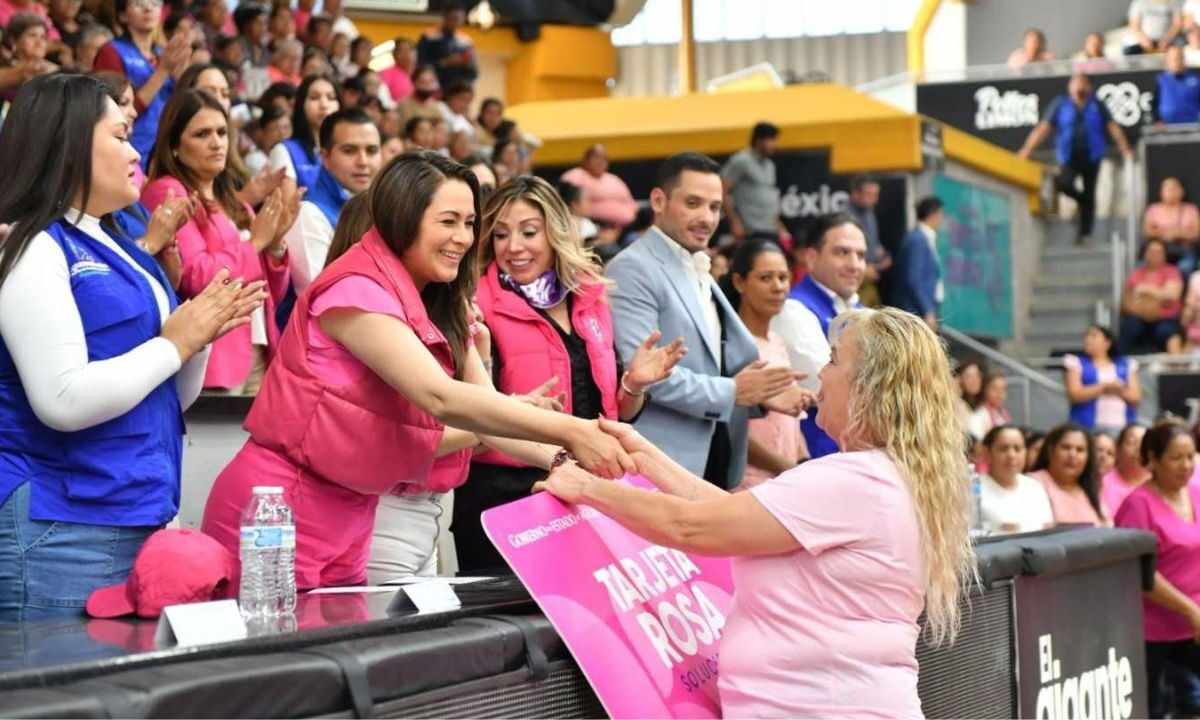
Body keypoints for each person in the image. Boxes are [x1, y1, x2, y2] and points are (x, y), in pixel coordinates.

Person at [201, 151, 634, 589]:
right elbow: (440, 398)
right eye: (448, 222)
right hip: (284, 507)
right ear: (403, 218)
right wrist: (573, 431)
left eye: (469, 223)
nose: (464, 238)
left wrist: (565, 460)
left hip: (356, 513)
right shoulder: (353, 290)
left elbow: (484, 414)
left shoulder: (441, 304)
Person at [535, 307, 974, 717]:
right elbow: (733, 514)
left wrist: (587, 487)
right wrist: (648, 458)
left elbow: (690, 528)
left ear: (869, 384)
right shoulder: (881, 477)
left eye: (835, 360)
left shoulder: (855, 480)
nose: (822, 372)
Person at [0, 74, 262, 621]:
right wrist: (175, 343)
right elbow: (63, 399)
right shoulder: (34, 247)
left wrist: (200, 337)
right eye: (119, 136)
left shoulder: (125, 249)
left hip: (135, 516)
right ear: (68, 141)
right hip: (60, 527)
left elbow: (170, 396)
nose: (133, 150)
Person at [450, 175, 686, 575]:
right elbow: (467, 411)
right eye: (502, 234)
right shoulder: (475, 306)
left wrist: (632, 385)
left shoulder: (590, 297)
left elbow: (612, 415)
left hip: (590, 490)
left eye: (529, 232)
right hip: (507, 497)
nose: (514, 247)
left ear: (556, 232)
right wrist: (519, 411)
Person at [606, 152, 801, 490]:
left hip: (717, 455)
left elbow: (715, 359)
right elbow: (642, 374)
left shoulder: (697, 263)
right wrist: (733, 391)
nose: (707, 218)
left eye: (714, 207)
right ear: (658, 200)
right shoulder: (633, 267)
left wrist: (761, 393)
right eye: (693, 203)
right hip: (662, 462)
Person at [144, 89, 297, 394]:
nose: (216, 142)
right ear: (174, 146)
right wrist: (255, 243)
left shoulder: (232, 200)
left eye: (221, 132)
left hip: (257, 348)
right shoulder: (168, 191)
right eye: (202, 134)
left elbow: (269, 291)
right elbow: (196, 276)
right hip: (213, 357)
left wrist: (275, 244)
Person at [1113, 421, 1200, 718]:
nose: (1186, 465)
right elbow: (1142, 574)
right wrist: (1190, 610)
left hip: (1194, 625)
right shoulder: (1138, 504)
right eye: (1177, 457)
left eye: (1191, 456)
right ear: (1153, 459)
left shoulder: (1196, 493)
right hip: (1152, 632)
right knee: (1155, 709)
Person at [771, 212, 866, 459]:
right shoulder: (794, 310)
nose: (854, 264)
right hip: (818, 459)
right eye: (842, 252)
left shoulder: (861, 311)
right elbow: (831, 387)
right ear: (811, 258)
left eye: (861, 255)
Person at [719, 239, 812, 488]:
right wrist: (787, 469)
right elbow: (735, 428)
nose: (778, 287)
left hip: (785, 485)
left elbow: (792, 419)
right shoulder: (730, 344)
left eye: (783, 277)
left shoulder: (777, 342)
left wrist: (803, 461)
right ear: (740, 282)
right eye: (765, 278)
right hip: (747, 485)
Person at [1018, 73, 1135, 245]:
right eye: (1076, 83)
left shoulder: (1097, 105)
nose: (1079, 86)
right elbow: (1044, 128)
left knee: (1090, 193)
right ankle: (1081, 203)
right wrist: (1027, 148)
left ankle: (1085, 234)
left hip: (1092, 156)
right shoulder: (1060, 104)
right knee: (1064, 183)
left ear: (1089, 87)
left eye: (1083, 83)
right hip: (1068, 156)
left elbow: (1112, 126)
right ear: (1069, 87)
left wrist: (1124, 147)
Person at [284, 108, 381, 295]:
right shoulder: (308, 214)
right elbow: (320, 296)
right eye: (349, 151)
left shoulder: (377, 206)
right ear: (325, 157)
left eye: (372, 151)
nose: (363, 161)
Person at [92, 0, 192, 165]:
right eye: (139, 3)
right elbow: (110, 109)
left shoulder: (163, 53)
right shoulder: (112, 51)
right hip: (131, 148)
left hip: (165, 146)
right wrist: (162, 71)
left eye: (154, 3)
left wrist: (180, 77)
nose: (148, 9)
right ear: (123, 15)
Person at [269, 73, 340, 193]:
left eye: (331, 98)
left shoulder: (345, 150)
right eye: (314, 97)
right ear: (301, 105)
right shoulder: (284, 150)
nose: (324, 104)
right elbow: (287, 208)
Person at [979, 425, 1055, 534]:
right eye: (1004, 449)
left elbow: (1047, 530)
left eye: (1018, 449)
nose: (1012, 455)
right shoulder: (973, 489)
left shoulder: (1035, 487)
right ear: (987, 452)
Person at [1064, 324, 1140, 431]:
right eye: (1086, 336)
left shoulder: (1126, 364)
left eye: (1093, 336)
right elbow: (1075, 395)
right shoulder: (1076, 363)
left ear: (1107, 343)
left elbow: (1135, 398)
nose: (1087, 340)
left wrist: (1118, 389)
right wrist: (1103, 387)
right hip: (1086, 425)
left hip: (1121, 425)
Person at [1029, 422, 1105, 526]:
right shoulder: (1034, 484)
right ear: (1050, 450)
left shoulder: (1091, 489)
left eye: (1080, 450)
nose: (1072, 455)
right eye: (1066, 447)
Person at [721, 121, 785, 243]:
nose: (775, 145)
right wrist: (734, 222)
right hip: (750, 229)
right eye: (771, 140)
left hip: (770, 229)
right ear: (759, 140)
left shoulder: (770, 165)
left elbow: (769, 198)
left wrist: (780, 227)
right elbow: (722, 189)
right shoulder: (741, 161)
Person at [1121, 238, 1184, 354]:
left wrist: (1145, 290)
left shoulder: (1171, 272)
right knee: (1129, 326)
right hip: (1139, 316)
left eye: (1158, 252)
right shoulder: (1135, 274)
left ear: (1164, 254)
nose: (1154, 255)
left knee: (1165, 331)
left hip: (1165, 318)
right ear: (1144, 253)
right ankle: (1120, 360)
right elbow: (1126, 303)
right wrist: (1154, 298)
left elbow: (1171, 295)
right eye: (1151, 251)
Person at [890, 195, 945, 331]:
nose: (942, 219)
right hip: (915, 312)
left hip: (922, 310)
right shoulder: (918, 240)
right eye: (941, 214)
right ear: (933, 214)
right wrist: (927, 310)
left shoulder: (924, 238)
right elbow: (914, 279)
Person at [560, 144, 639, 231]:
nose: (601, 162)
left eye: (604, 159)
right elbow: (565, 203)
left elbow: (631, 203)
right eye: (596, 158)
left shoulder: (614, 179)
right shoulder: (575, 176)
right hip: (593, 227)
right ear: (586, 160)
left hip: (624, 228)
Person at [846, 175, 890, 307]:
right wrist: (863, 269)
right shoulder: (843, 218)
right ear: (855, 193)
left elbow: (875, 245)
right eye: (869, 194)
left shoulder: (870, 216)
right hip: (851, 284)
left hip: (870, 283)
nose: (875, 200)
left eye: (876, 195)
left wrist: (883, 256)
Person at [1144, 176, 1200, 275]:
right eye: (1167, 188)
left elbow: (1196, 234)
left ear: (1182, 191)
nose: (1171, 191)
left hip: (1184, 250)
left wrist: (1178, 234)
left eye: (1174, 188)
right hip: (1159, 251)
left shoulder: (1191, 210)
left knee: (1185, 267)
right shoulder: (1153, 210)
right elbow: (1148, 232)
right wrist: (1165, 234)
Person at [0, 13, 58, 104]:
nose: (39, 42)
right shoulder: (4, 67)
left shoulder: (55, 70)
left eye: (43, 37)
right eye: (32, 35)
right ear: (13, 40)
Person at [416, 5, 476, 89]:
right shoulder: (429, 36)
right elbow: (419, 64)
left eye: (459, 18)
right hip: (433, 87)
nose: (456, 22)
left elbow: (474, 72)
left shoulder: (465, 41)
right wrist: (444, 62)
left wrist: (466, 63)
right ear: (444, 17)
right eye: (453, 18)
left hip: (456, 89)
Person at [1102, 423, 1151, 517]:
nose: (1139, 449)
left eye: (1144, 444)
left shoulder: (1158, 485)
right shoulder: (1102, 481)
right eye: (1132, 443)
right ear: (1118, 448)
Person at [1158, 45, 1200, 125]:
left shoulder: (1195, 79)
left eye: (1179, 58)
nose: (1176, 62)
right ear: (1167, 61)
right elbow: (1154, 103)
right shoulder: (1160, 80)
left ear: (1183, 59)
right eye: (1173, 59)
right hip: (1167, 128)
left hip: (1192, 126)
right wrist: (1157, 119)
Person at [967, 372, 1012, 441]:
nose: (1000, 393)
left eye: (1003, 389)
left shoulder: (1004, 414)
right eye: (995, 388)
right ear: (985, 390)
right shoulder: (978, 416)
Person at [955, 359, 984, 430]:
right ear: (959, 379)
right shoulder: (958, 406)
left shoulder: (980, 405)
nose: (974, 380)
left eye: (978, 375)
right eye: (968, 376)